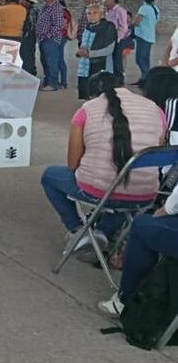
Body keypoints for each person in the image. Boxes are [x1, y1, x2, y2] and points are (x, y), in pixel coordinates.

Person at [41, 72, 165, 264]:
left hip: (100, 192)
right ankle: (102, 233)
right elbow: (158, 150)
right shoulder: (155, 109)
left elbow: (72, 164)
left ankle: (79, 231)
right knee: (124, 190)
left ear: (93, 95)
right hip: (145, 195)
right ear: (123, 85)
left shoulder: (87, 109)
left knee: (50, 176)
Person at [75, 3, 117, 100]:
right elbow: (84, 44)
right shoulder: (88, 27)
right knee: (87, 91)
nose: (91, 16)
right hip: (86, 64)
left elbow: (109, 50)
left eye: (95, 13)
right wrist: (80, 52)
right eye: (89, 13)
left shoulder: (108, 27)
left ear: (102, 15)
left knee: (98, 91)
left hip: (100, 63)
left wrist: (90, 54)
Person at [36, 0, 69, 92]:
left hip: (51, 40)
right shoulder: (45, 6)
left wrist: (48, 35)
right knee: (45, 61)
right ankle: (48, 81)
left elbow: (58, 25)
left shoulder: (56, 8)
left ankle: (53, 83)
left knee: (51, 62)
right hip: (43, 39)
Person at [131, 0, 159, 86]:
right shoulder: (155, 9)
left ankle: (148, 77)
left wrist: (131, 23)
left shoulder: (144, 8)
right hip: (150, 36)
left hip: (142, 36)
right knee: (145, 59)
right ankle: (144, 78)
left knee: (139, 59)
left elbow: (137, 21)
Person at [104, 0, 132, 85]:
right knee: (109, 61)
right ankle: (111, 80)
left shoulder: (120, 11)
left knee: (117, 62)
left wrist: (118, 38)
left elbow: (124, 27)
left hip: (117, 40)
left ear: (113, 0)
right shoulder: (109, 11)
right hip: (108, 39)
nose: (105, 1)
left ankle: (120, 81)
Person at [19, 0, 39, 76]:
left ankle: (30, 72)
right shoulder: (19, 9)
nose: (23, 2)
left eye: (25, 1)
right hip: (21, 35)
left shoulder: (34, 11)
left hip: (30, 36)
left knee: (29, 55)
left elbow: (35, 24)